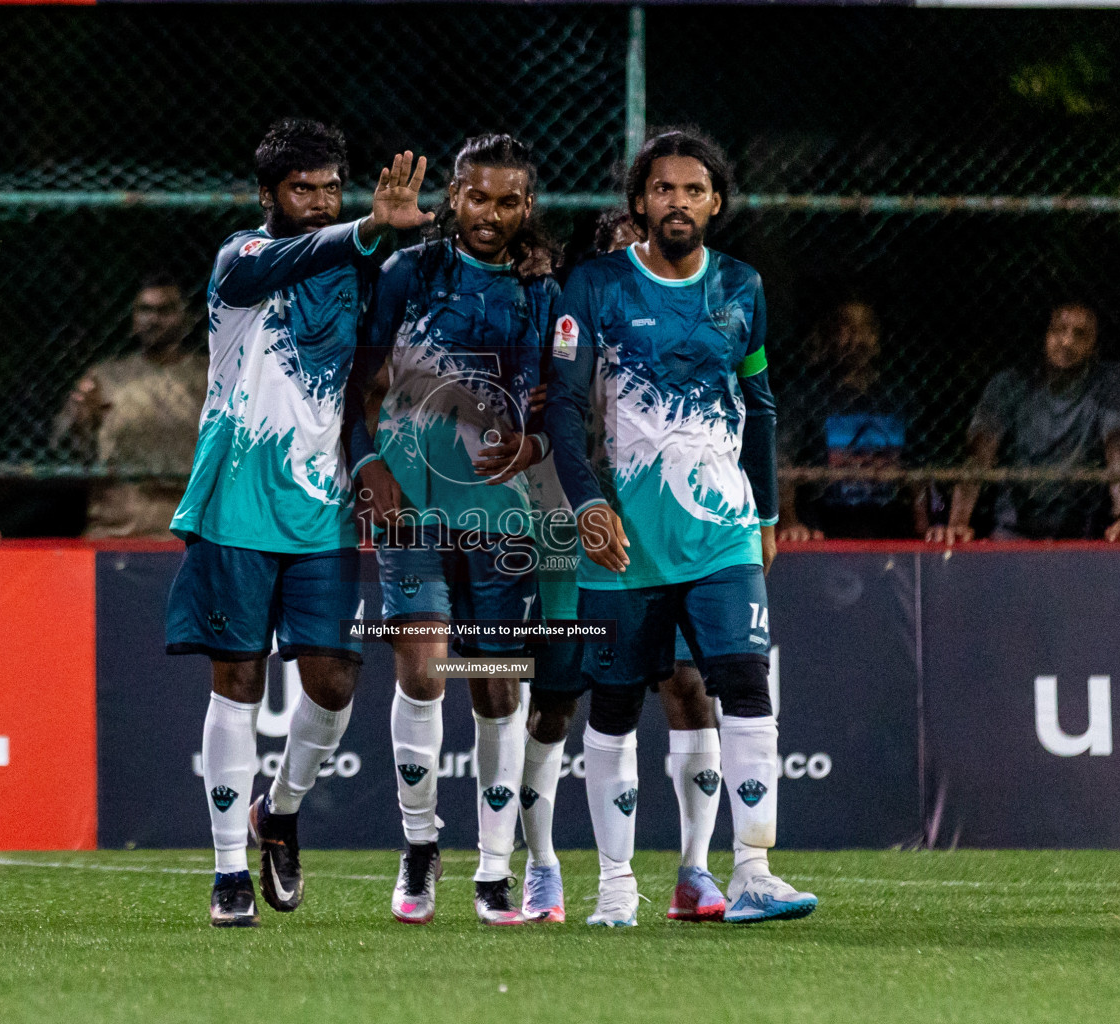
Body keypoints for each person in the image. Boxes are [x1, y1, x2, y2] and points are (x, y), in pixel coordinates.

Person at [544, 128, 817, 927]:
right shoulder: (594, 287)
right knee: (617, 702)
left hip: (724, 528)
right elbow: (561, 406)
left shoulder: (743, 286)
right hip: (625, 533)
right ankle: (616, 888)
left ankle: (755, 872)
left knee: (742, 677)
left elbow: (759, 405)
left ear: (716, 204)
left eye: (693, 190)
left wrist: (765, 511)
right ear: (640, 201)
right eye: (663, 189)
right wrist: (588, 503)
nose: (678, 202)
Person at [164, 119, 430, 928]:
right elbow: (302, 255)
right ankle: (226, 872)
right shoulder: (240, 261)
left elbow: (354, 388)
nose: (317, 203)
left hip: (321, 508)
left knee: (335, 682)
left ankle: (277, 811)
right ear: (268, 197)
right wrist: (367, 230)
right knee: (237, 679)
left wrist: (367, 461)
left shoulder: (359, 270)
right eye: (300, 190)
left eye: (329, 188)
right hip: (237, 502)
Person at [348, 134, 555, 926]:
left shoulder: (543, 291)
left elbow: (562, 405)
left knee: (499, 683)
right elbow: (353, 383)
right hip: (413, 499)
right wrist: (369, 464)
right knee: (427, 670)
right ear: (454, 199)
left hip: (502, 510)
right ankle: (421, 845)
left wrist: (535, 450)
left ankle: (494, 869)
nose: (490, 215)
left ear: (527, 208)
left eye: (508, 201)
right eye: (477, 197)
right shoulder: (410, 273)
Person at [518, 206, 730, 925]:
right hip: (570, 530)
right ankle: (542, 864)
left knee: (689, 686)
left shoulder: (687, 324)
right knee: (557, 701)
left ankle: (694, 870)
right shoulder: (566, 323)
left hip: (662, 534)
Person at [927, 300, 1120, 543]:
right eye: (1059, 330)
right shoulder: (1009, 384)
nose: (1067, 342)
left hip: (1078, 532)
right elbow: (979, 456)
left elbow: (1118, 451)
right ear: (1046, 334)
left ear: (1094, 346)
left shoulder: (1110, 383)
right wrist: (958, 523)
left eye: (1080, 335)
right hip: (1013, 529)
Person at [55, 273, 207, 539]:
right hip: (117, 527)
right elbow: (64, 447)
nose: (154, 319)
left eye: (166, 310)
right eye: (145, 310)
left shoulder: (210, 376)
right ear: (134, 318)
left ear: (186, 317)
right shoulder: (104, 376)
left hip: (188, 525)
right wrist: (81, 417)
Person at [778, 296, 926, 540]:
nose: (856, 339)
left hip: (887, 523)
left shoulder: (899, 397)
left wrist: (923, 525)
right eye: (845, 328)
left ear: (877, 340)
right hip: (822, 524)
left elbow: (920, 469)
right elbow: (780, 459)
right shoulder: (804, 396)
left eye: (865, 329)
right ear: (830, 337)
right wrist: (790, 522)